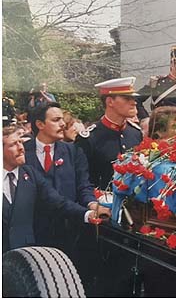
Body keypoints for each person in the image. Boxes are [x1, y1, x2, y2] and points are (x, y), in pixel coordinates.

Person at [24, 102, 110, 250]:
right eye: (56, 120)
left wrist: (93, 204)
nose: (63, 124)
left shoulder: (74, 152)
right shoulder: (22, 153)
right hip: (32, 234)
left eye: (62, 119)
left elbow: (84, 186)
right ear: (40, 124)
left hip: (68, 232)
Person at [3, 126, 97, 253]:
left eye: (20, 142)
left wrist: (87, 214)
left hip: (25, 255)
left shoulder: (30, 174)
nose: (21, 148)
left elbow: (57, 201)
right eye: (13, 144)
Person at [75, 77, 143, 190]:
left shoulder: (135, 132)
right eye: (127, 98)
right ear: (110, 101)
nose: (134, 102)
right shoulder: (89, 138)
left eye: (133, 98)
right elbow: (82, 181)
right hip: (102, 203)